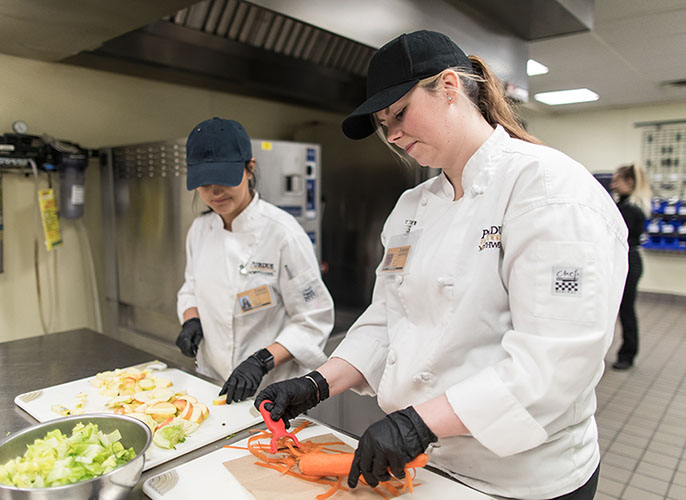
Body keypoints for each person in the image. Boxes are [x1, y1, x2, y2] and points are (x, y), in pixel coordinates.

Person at [255, 30, 629, 500]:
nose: (391, 134)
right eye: (382, 123)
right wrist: (316, 383)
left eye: (400, 113)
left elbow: (556, 361)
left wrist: (417, 422)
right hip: (430, 464)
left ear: (450, 87)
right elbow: (388, 321)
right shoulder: (412, 206)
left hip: (522, 478)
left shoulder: (549, 190)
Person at [175, 117, 334, 404]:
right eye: (204, 183)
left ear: (250, 168)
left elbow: (313, 319)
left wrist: (261, 361)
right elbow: (190, 287)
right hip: (212, 383)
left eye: (224, 178)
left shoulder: (283, 234)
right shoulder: (200, 230)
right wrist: (191, 321)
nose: (215, 192)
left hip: (271, 392)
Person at [609, 163, 650, 370]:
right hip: (626, 259)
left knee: (626, 309)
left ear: (630, 182)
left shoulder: (630, 209)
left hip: (628, 261)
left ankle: (627, 354)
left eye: (617, 180)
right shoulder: (625, 205)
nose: (613, 184)